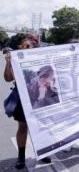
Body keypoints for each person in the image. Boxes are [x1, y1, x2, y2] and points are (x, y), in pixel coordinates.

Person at [3, 34, 52, 170]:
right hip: (22, 97)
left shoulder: (41, 59)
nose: (25, 47)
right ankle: (21, 157)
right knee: (23, 127)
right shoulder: (15, 59)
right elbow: (8, 78)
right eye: (23, 45)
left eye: (29, 45)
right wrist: (8, 62)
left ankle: (43, 152)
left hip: (40, 96)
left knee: (41, 126)